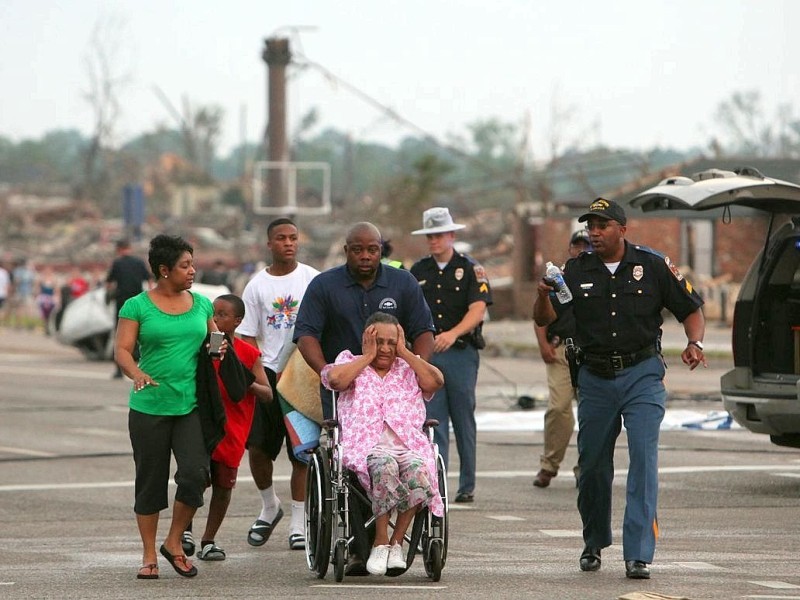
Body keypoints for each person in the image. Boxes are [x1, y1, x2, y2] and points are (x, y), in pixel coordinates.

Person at [533, 198, 707, 580]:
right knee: (593, 466)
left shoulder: (653, 265)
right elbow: (548, 320)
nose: (594, 232)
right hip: (595, 377)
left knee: (643, 460)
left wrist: (695, 343)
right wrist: (543, 294)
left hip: (642, 373)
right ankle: (593, 541)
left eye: (602, 225)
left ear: (622, 229)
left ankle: (639, 554)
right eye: (591, 226)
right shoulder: (573, 272)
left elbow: (691, 308)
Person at [293, 221, 435, 574]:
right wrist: (329, 372)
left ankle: (391, 544)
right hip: (348, 389)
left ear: (380, 249)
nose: (365, 256)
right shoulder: (325, 285)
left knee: (411, 462)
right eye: (357, 249)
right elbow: (307, 334)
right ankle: (362, 545)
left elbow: (424, 332)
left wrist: (411, 374)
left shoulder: (402, 284)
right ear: (347, 250)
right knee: (353, 467)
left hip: (397, 388)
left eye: (372, 249)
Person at [114, 234, 225, 580]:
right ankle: (149, 555)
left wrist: (217, 348)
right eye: (185, 265)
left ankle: (174, 542)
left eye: (192, 264)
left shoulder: (202, 303)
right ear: (164, 270)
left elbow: (214, 338)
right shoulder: (136, 306)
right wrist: (136, 373)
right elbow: (122, 350)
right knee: (150, 481)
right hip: (149, 407)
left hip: (190, 405)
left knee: (195, 474)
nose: (192, 271)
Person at [321, 312, 444, 576]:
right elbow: (335, 381)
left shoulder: (408, 367)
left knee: (419, 470)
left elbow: (436, 382)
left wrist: (406, 353)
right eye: (379, 342)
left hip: (408, 445)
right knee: (384, 466)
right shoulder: (349, 362)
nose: (385, 349)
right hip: (367, 447)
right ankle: (379, 541)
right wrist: (366, 357)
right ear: (366, 340)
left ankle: (396, 542)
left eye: (392, 342)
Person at [235, 218, 320, 551]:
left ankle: (299, 524)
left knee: (302, 452)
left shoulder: (313, 279)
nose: (289, 243)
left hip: (302, 373)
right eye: (281, 238)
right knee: (257, 448)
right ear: (269, 244)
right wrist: (253, 374)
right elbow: (246, 335)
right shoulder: (256, 286)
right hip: (268, 373)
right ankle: (270, 506)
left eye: (294, 238)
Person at [409, 207, 492, 504]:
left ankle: (467, 483)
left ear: (452, 235)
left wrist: (453, 333)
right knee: (433, 419)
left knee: (463, 416)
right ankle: (436, 479)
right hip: (428, 355)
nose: (434, 240)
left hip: (459, 352)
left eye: (439, 234)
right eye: (430, 235)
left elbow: (478, 308)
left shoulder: (470, 269)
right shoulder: (418, 271)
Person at [190, 294, 273, 561]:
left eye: (223, 314)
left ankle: (209, 540)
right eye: (213, 313)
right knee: (194, 479)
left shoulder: (248, 353)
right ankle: (185, 532)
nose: (216, 318)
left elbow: (267, 394)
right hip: (202, 424)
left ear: (238, 321)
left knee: (223, 486)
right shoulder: (199, 347)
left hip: (233, 428)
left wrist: (243, 380)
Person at [532, 229, 591, 488]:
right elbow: (542, 314)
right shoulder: (561, 278)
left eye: (586, 246)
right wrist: (543, 343)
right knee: (559, 408)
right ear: (570, 249)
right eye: (577, 246)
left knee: (592, 413)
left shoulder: (601, 278)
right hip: (561, 351)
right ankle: (549, 464)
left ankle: (586, 467)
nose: (581, 250)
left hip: (591, 352)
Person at [107, 239, 153, 379]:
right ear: (129, 248)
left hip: (123, 304)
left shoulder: (117, 263)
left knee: (121, 336)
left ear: (119, 249)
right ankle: (143, 367)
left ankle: (119, 370)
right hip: (138, 303)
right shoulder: (139, 263)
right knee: (141, 334)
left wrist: (110, 296)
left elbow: (109, 284)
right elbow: (149, 280)